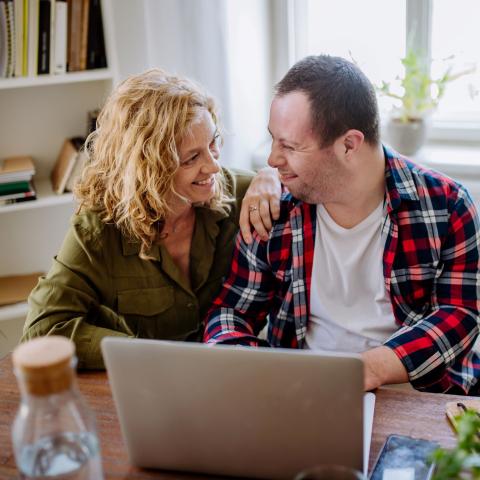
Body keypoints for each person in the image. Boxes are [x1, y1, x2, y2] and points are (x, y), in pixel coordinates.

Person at [204, 55, 480, 395]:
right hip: (301, 396)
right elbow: (232, 311)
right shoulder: (275, 209)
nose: (273, 159)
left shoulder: (448, 206)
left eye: (289, 146)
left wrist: (368, 369)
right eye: (273, 140)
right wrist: (256, 369)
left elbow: (460, 314)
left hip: (417, 397)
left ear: (349, 144)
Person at [22, 69, 281, 369]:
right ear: (149, 168)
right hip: (147, 384)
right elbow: (43, 330)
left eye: (213, 143)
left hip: (227, 377)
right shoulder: (98, 229)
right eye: (191, 158)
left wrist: (271, 175)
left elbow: (304, 187)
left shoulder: (236, 192)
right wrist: (145, 355)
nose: (213, 166)